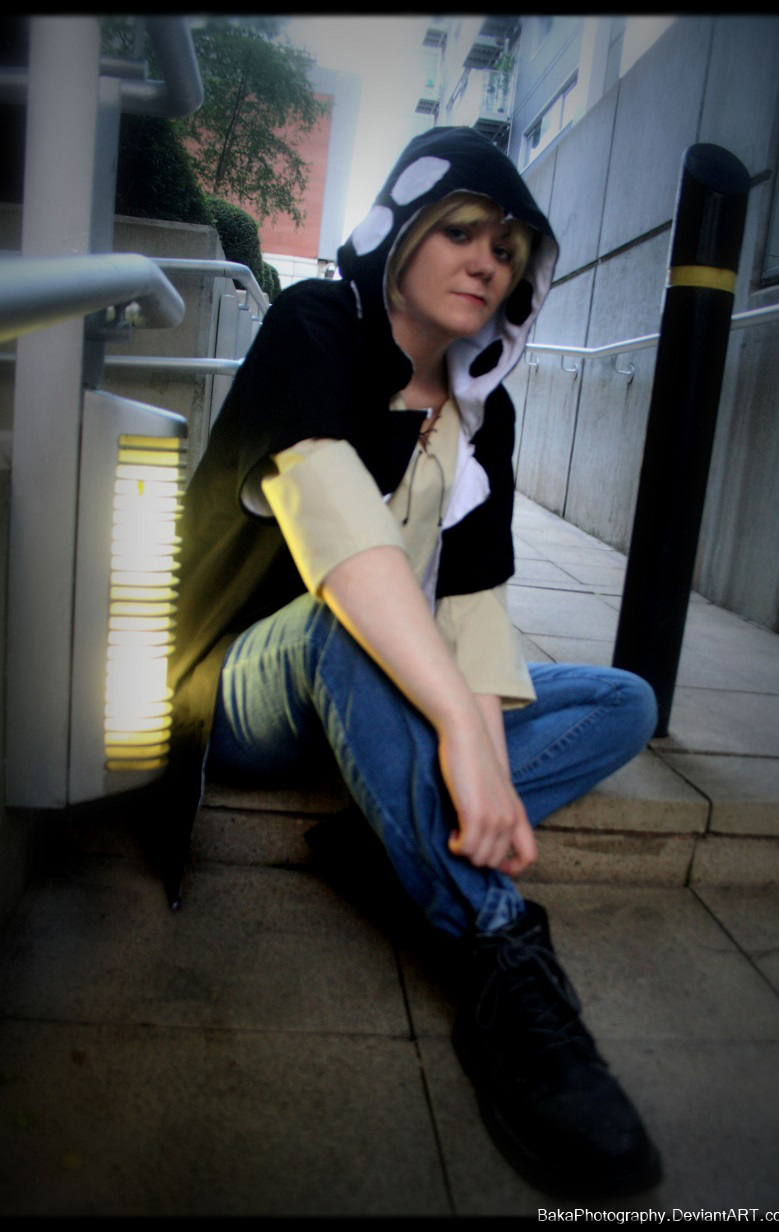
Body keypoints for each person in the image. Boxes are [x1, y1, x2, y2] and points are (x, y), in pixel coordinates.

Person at [163, 126, 662, 1198]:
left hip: (379, 684)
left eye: (508, 248)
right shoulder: (316, 324)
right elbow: (344, 546)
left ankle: (386, 832)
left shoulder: (484, 406)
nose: (488, 262)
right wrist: (464, 738)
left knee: (620, 701)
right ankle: (498, 952)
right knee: (345, 615)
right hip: (245, 678)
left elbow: (473, 608)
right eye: (462, 231)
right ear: (404, 231)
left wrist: (475, 719)